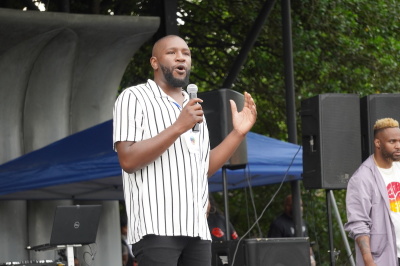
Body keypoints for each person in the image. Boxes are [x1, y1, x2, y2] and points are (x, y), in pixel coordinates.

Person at [113, 35, 257, 266]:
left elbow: (203, 168)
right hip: (156, 228)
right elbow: (128, 160)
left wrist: (237, 134)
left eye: (186, 53)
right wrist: (179, 126)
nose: (181, 57)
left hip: (197, 229)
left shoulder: (193, 108)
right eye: (171, 53)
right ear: (154, 62)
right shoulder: (134, 98)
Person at [345, 117, 400, 266]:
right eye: (392, 141)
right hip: (384, 257)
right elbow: (359, 223)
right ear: (377, 143)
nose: (398, 146)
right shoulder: (362, 178)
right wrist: (369, 261)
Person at [268, 194, 316, 266]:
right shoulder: (278, 224)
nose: (300, 208)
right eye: (297, 205)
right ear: (287, 206)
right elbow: (273, 250)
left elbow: (307, 243)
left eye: (301, 205)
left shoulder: (302, 222)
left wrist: (311, 258)